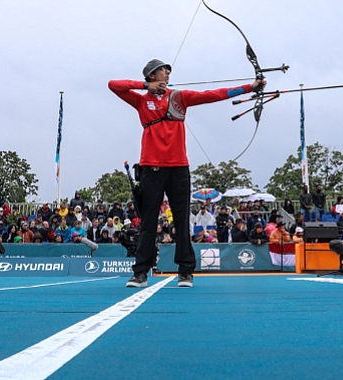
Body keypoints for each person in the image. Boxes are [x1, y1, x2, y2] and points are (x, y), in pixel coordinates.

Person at [109, 58, 265, 288]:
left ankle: (185, 272)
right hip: (151, 168)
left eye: (168, 71)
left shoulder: (179, 98)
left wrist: (249, 87)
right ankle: (141, 272)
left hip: (178, 168)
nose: (167, 74)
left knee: (182, 221)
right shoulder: (141, 101)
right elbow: (113, 84)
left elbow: (214, 94)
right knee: (148, 221)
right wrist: (144, 87)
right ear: (152, 76)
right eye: (163, 70)